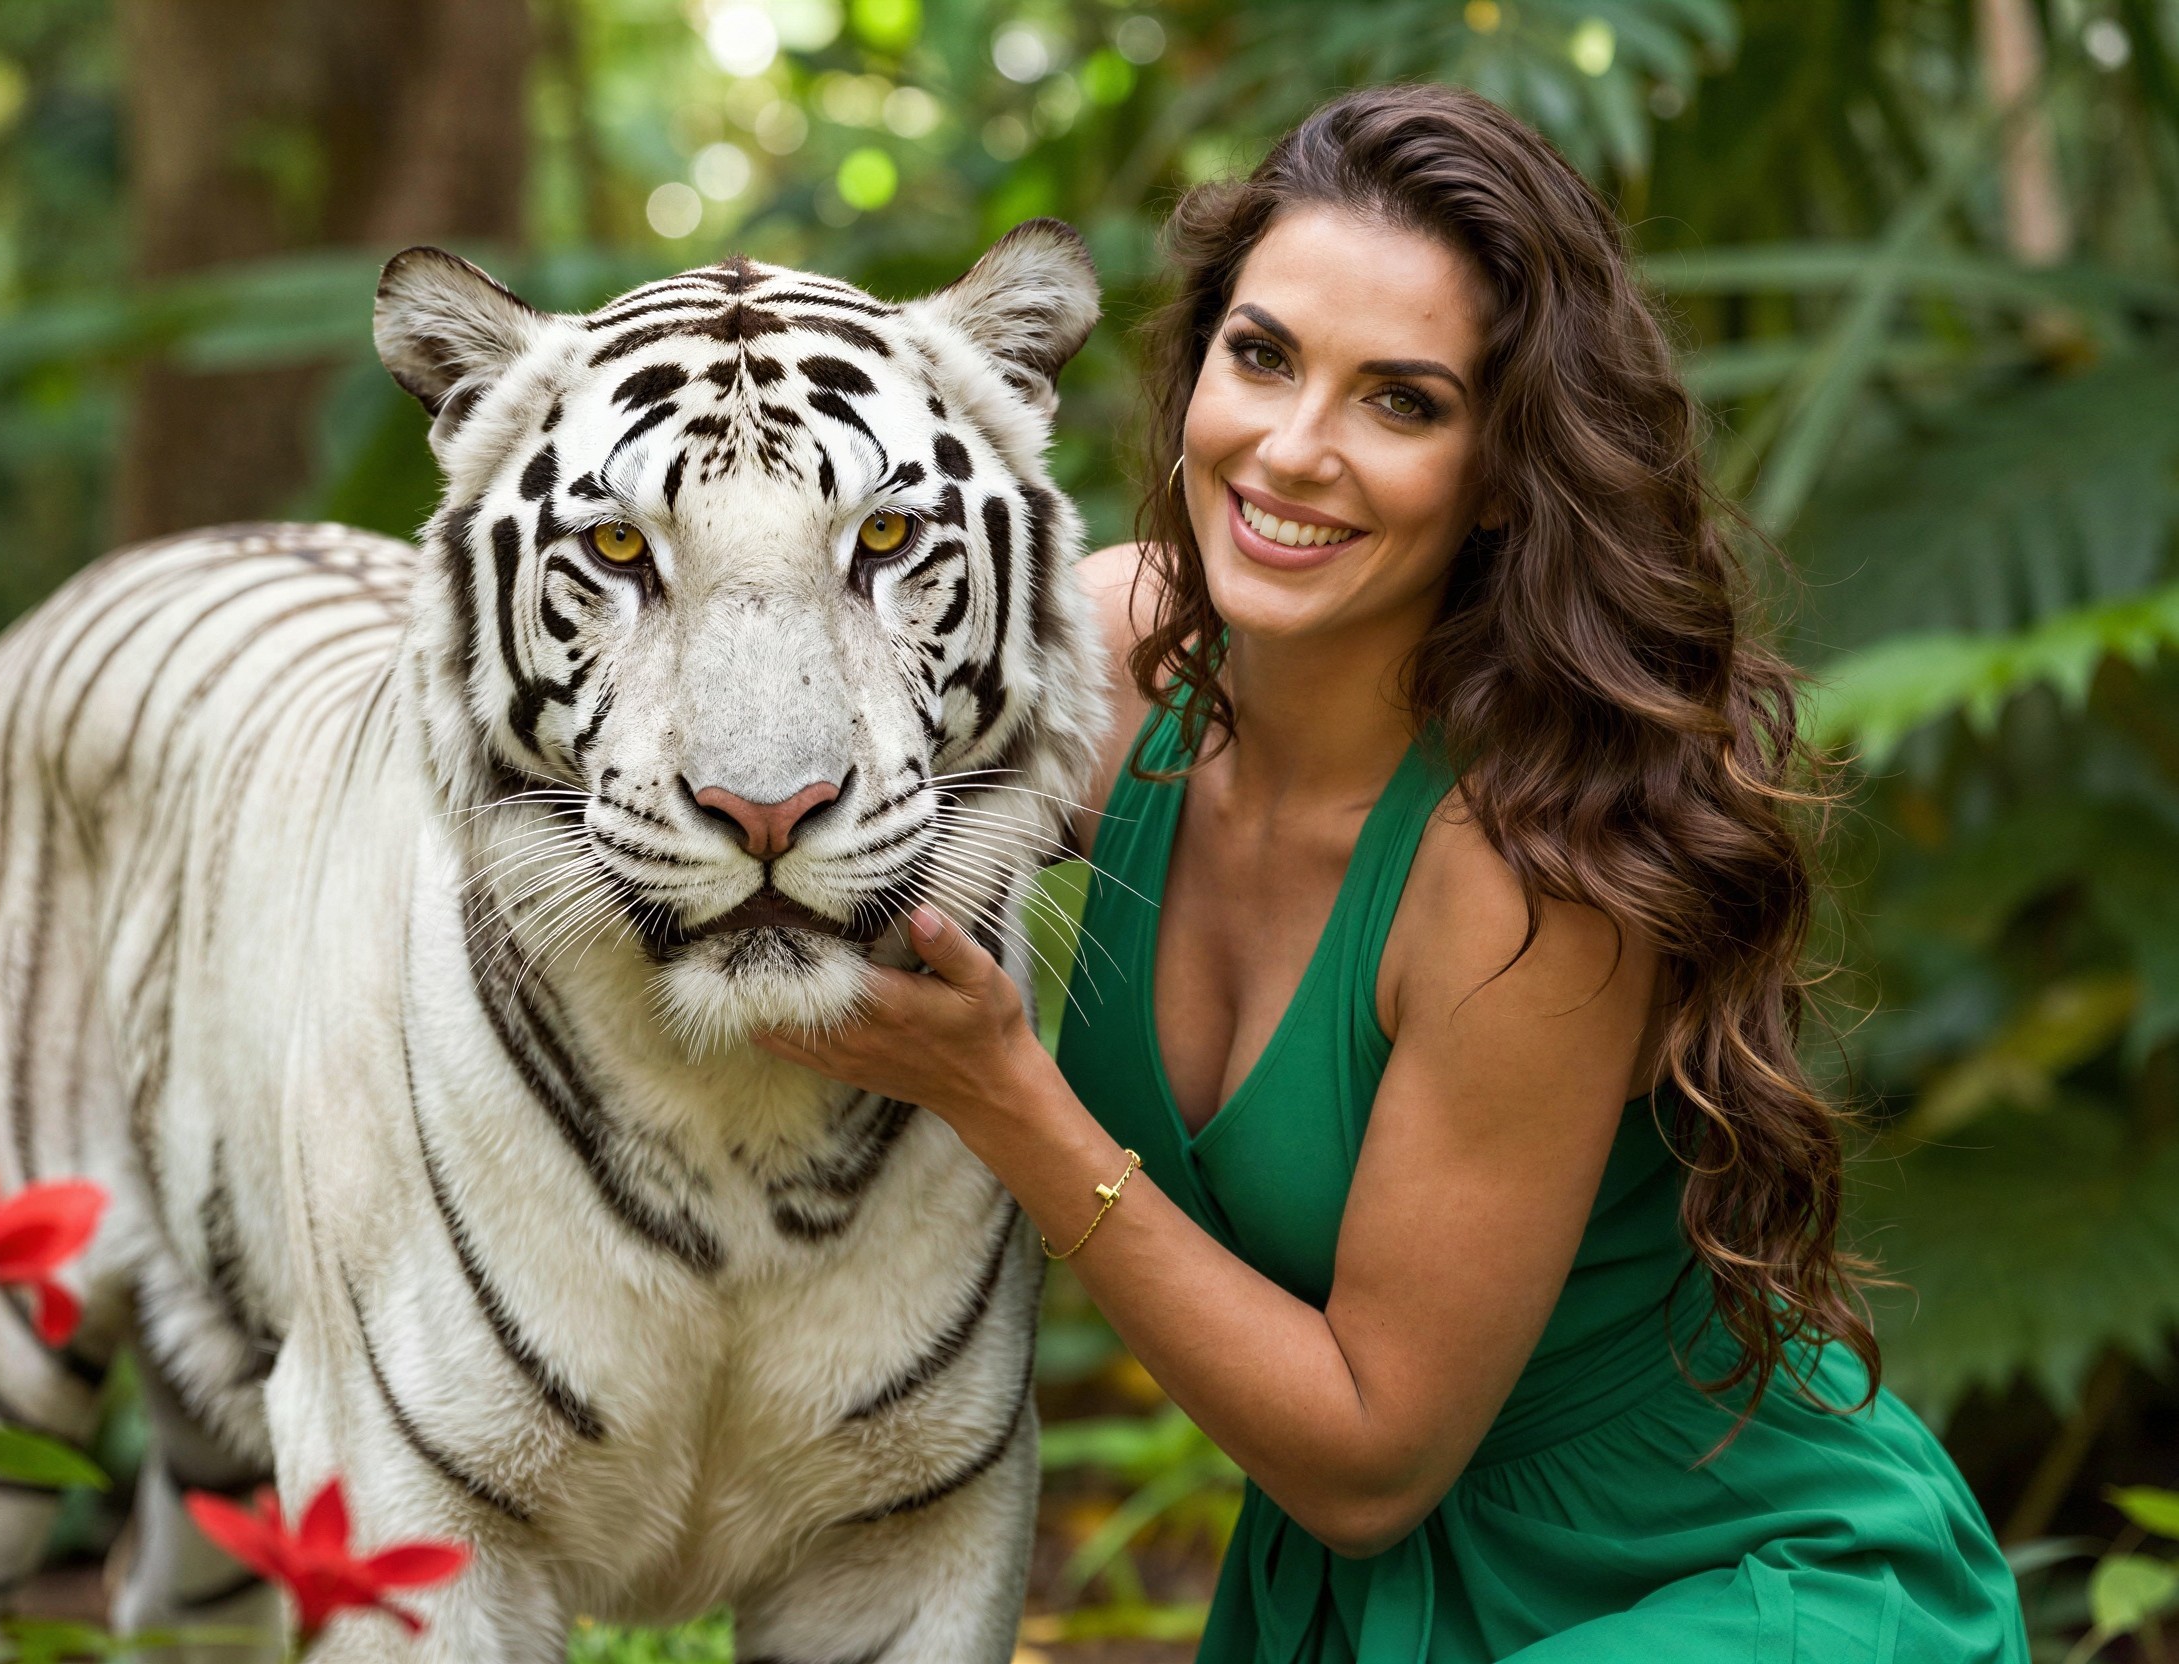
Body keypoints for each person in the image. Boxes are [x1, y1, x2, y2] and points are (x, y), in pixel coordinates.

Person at [758, 85, 2027, 1662]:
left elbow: (1368, 1459)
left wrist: (1003, 1094)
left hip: (1708, 1584)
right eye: (1265, 356)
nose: (1293, 453)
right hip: (1355, 1614)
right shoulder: (1102, 659)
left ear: (1506, 470)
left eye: (1402, 403)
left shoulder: (1523, 869)